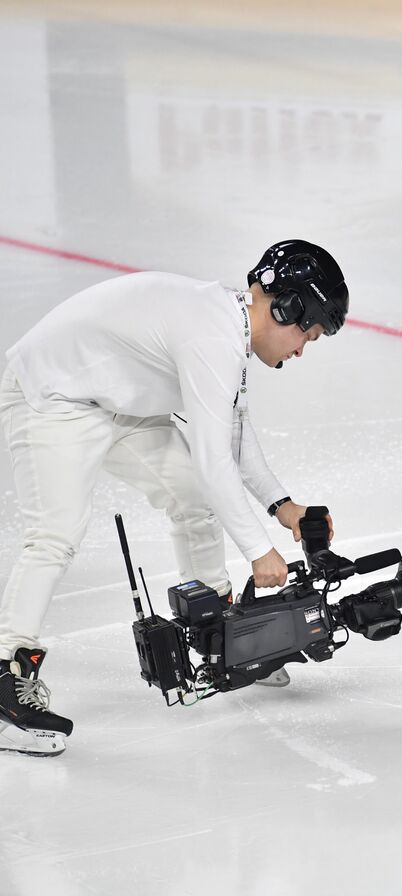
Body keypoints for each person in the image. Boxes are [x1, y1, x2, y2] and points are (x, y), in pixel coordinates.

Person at [0, 239, 347, 756]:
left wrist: (282, 505)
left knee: (194, 501)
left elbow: (232, 429)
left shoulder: (227, 327)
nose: (301, 350)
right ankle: (6, 671)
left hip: (121, 404)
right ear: (286, 307)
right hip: (51, 395)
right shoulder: (213, 335)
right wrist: (259, 550)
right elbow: (213, 461)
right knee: (56, 532)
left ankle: (222, 643)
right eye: (309, 334)